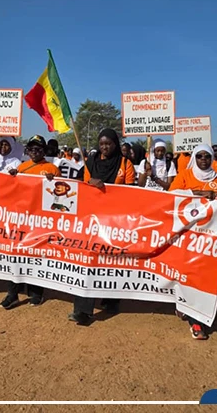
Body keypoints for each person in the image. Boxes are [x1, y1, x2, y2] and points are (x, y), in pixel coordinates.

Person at [71, 129, 133, 325]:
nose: (105, 147)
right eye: (102, 144)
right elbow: (81, 185)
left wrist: (108, 189)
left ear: (116, 144)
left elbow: (132, 192)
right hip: (92, 220)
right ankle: (82, 310)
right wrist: (91, 182)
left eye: (109, 144)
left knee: (112, 261)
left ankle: (112, 300)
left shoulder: (125, 163)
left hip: (116, 221)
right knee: (88, 260)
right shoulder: (91, 162)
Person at [168, 145, 217, 340]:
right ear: (194, 158)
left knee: (201, 275)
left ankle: (196, 319)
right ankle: (185, 308)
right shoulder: (185, 175)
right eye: (200, 156)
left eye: (207, 156)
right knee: (185, 272)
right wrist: (199, 193)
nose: (203, 159)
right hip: (185, 233)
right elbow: (171, 195)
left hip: (208, 236)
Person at [0, 136, 60, 309]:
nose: (35, 152)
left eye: (38, 149)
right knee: (16, 255)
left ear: (44, 151)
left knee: (36, 256)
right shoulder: (22, 168)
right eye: (32, 149)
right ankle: (12, 294)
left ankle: (36, 293)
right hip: (21, 219)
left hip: (40, 221)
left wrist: (53, 182)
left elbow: (59, 196)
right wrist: (13, 177)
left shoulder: (52, 169)